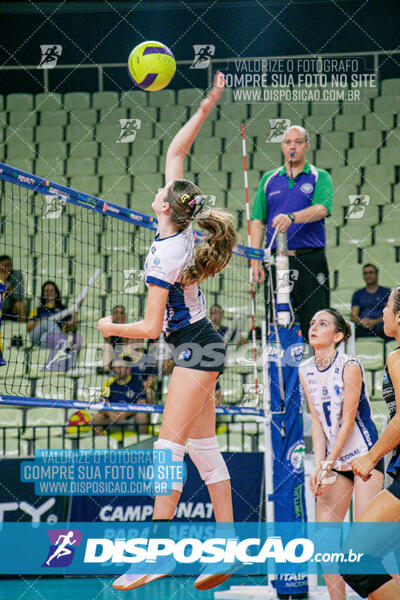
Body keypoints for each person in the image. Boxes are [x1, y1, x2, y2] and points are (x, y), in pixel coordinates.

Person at [98, 72, 237, 592]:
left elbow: (152, 326)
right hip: (201, 345)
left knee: (166, 450)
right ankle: (228, 549)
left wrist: (111, 327)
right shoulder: (177, 227)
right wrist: (206, 105)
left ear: (163, 207)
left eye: (161, 191)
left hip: (195, 348)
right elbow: (177, 154)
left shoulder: (166, 252)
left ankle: (158, 555)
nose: (160, 187)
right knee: (203, 451)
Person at [299, 308, 384, 600]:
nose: (314, 327)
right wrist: (322, 466)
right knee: (325, 539)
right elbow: (319, 423)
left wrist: (327, 464)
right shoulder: (304, 368)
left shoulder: (349, 365)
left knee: (367, 544)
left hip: (364, 456)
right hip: (335, 459)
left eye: (322, 324)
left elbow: (348, 421)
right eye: (312, 323)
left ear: (337, 336)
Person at [342, 287, 400, 600]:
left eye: (389, 307)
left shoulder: (397, 356)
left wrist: (370, 457)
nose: (384, 312)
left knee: (356, 560)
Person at [250, 125, 333, 341]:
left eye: (297, 142)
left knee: (317, 321)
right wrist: (255, 260)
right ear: (282, 147)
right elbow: (258, 221)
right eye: (288, 142)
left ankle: (319, 371)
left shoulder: (319, 176)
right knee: (278, 320)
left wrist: (292, 217)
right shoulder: (269, 179)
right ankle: (281, 373)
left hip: (310, 261)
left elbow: (322, 209)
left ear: (307, 145)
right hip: (278, 264)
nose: (292, 146)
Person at [92, 355, 150, 435]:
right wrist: (110, 413)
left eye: (119, 367)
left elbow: (142, 403)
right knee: (97, 418)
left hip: (130, 419)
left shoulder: (138, 383)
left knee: (142, 416)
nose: (116, 370)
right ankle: (101, 444)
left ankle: (143, 445)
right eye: (114, 368)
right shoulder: (108, 383)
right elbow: (102, 404)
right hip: (112, 418)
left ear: (128, 369)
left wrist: (126, 413)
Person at [27, 281, 77, 347]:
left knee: (46, 339)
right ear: (43, 294)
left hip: (48, 340)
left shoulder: (64, 310)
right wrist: (42, 322)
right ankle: (61, 343)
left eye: (51, 290)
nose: (49, 293)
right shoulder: (37, 310)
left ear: (56, 293)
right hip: (36, 337)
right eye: (46, 291)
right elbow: (29, 327)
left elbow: (71, 326)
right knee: (47, 322)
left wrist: (76, 310)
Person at [351, 263, 391, 340]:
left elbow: (389, 314)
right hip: (362, 327)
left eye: (371, 273)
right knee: (350, 328)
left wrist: (374, 322)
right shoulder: (357, 294)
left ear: (377, 274)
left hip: (379, 326)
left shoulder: (386, 292)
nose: (368, 275)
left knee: (387, 325)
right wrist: (361, 322)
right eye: (365, 273)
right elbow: (354, 315)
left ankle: (388, 350)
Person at [0, 255, 26, 322]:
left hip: (11, 309)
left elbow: (19, 296)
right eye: (3, 266)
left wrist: (6, 284)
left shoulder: (17, 275)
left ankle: (21, 330)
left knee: (20, 305)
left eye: (8, 265)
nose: (6, 268)